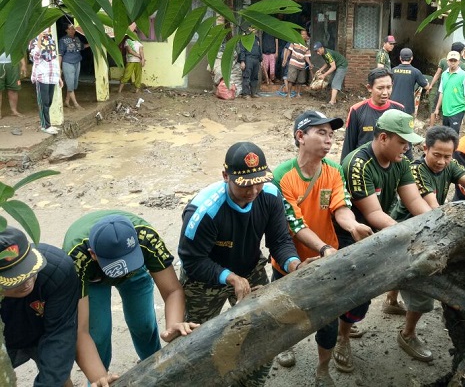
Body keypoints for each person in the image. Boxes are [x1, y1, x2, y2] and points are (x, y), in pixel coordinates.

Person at [178, 141, 311, 387]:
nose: (252, 192)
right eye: (244, 185)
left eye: (258, 182)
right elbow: (192, 260)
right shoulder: (204, 211)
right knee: (195, 341)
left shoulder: (269, 195)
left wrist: (295, 265)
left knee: (264, 331)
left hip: (249, 269)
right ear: (225, 176)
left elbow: (279, 240)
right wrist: (229, 277)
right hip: (204, 280)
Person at [272, 110, 373, 385]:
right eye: (321, 133)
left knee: (328, 321)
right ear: (300, 136)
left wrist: (352, 227)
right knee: (284, 314)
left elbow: (341, 207)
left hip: (326, 257)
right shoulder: (282, 176)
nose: (329, 140)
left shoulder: (333, 170)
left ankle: (322, 369)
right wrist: (325, 249)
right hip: (289, 260)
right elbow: (294, 224)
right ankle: (286, 345)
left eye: (331, 134)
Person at [336, 109, 433, 372]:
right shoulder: (359, 163)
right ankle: (341, 337)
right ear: (382, 138)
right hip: (351, 233)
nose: (407, 148)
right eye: (402, 142)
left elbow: (414, 201)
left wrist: (435, 225)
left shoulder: (400, 161)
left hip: (382, 229)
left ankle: (401, 324)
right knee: (359, 291)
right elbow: (372, 214)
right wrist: (408, 234)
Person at [390, 126, 465, 362]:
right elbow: (433, 209)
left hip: (426, 223)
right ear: (425, 148)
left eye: (448, 156)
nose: (442, 161)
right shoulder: (416, 170)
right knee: (423, 289)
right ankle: (407, 334)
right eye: (437, 154)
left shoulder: (450, 165)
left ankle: (391, 300)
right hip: (408, 228)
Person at [63, 210, 198, 387]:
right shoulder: (75, 258)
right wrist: (100, 379)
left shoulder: (146, 237)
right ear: (93, 254)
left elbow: (172, 290)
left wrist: (173, 324)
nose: (124, 270)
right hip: (93, 280)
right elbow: (81, 330)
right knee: (99, 335)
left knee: (144, 324)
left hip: (136, 273)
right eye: (119, 266)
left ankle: (156, 370)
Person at [1, 227, 79, 387]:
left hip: (42, 329)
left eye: (29, 270)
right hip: (5, 336)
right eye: (16, 279)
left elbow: (60, 334)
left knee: (59, 378)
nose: (27, 281)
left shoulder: (57, 269)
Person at [28, 28, 63, 135]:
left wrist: (59, 77)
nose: (46, 30)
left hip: (52, 76)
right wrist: (39, 39)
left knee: (49, 101)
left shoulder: (51, 41)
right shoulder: (33, 42)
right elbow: (36, 57)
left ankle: (48, 124)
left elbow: (54, 59)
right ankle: (45, 126)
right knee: (44, 102)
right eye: (44, 29)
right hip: (41, 76)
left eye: (48, 28)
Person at [432, 50, 465, 134]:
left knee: (453, 134)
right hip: (446, 110)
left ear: (459, 62)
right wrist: (437, 108)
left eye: (455, 60)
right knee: (446, 134)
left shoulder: (464, 76)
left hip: (458, 109)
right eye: (451, 60)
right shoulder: (444, 74)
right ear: (447, 61)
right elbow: (441, 92)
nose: (453, 63)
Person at [428, 42, 465, 114]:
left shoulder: (443, 61)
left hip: (442, 88)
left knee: (436, 104)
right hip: (454, 91)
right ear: (461, 52)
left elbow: (437, 74)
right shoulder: (462, 65)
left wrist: (431, 85)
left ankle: (432, 122)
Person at [390, 48, 429, 117]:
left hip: (393, 104)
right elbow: (426, 86)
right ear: (411, 58)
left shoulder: (393, 71)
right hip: (408, 105)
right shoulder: (416, 72)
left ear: (400, 58)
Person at [58, 24, 87, 109]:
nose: (72, 31)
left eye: (73, 29)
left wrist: (92, 44)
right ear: (66, 30)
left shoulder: (76, 38)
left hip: (77, 62)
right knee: (70, 83)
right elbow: (60, 54)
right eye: (70, 29)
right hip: (68, 63)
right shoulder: (62, 40)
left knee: (73, 83)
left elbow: (82, 46)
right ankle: (76, 104)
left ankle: (67, 101)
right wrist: (59, 67)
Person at [284, 30, 313, 99]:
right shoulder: (294, 42)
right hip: (293, 63)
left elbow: (306, 57)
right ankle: (289, 94)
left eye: (305, 35)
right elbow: (289, 50)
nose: (304, 36)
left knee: (300, 81)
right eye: (302, 34)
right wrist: (285, 59)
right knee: (291, 80)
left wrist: (310, 64)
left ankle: (298, 94)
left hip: (302, 65)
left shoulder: (307, 46)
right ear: (300, 35)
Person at [238, 27, 263, 99]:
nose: (254, 29)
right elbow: (242, 50)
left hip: (256, 59)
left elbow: (259, 50)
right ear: (249, 28)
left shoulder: (257, 38)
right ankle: (246, 94)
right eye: (252, 28)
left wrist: (261, 60)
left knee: (254, 77)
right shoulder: (245, 38)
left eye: (255, 28)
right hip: (248, 58)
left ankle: (253, 93)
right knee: (246, 76)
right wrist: (242, 61)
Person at [0, 53, 27, 118]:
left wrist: (23, 64)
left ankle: (14, 111)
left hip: (13, 64)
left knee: (13, 89)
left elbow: (18, 50)